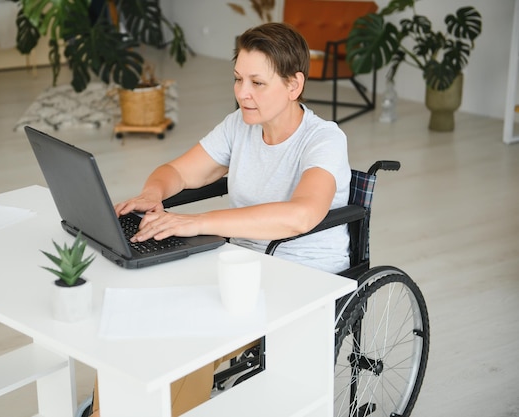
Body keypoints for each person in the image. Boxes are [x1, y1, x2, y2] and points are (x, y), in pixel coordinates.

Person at [92, 22, 351, 417]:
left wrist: (198, 222)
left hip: (301, 276)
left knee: (187, 342)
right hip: (242, 265)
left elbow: (302, 215)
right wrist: (152, 193)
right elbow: (177, 172)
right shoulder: (240, 127)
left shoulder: (323, 140)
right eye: (237, 79)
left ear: (294, 85)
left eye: (257, 83)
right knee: (141, 314)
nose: (242, 93)